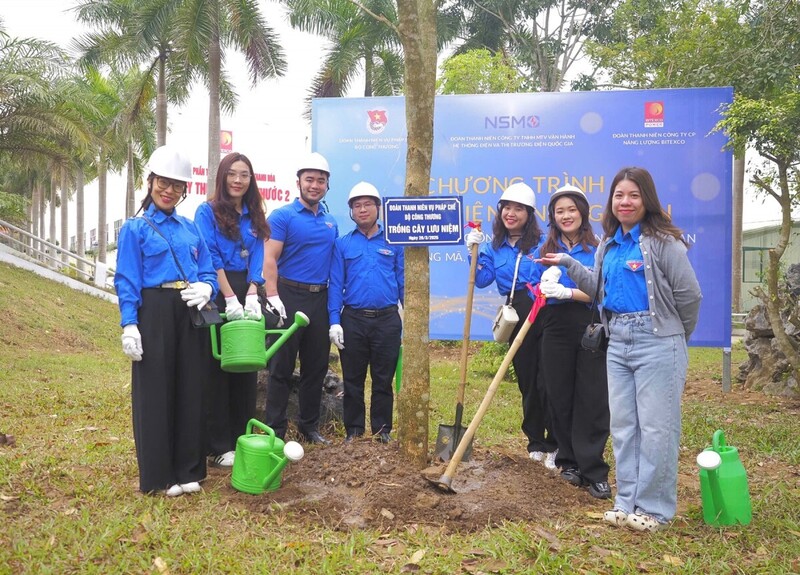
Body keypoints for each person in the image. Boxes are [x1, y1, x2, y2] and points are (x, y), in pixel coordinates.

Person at [538, 167, 702, 532]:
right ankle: (626, 502)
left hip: (658, 340)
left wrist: (674, 337)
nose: (625, 202)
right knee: (625, 427)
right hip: (617, 341)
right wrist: (567, 263)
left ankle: (654, 510)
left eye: (633, 195)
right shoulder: (609, 244)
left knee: (657, 428)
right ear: (610, 202)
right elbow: (598, 288)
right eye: (618, 196)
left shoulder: (663, 241)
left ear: (647, 200)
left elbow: (689, 296)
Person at [114, 145, 218, 496]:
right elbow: (126, 278)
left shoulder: (191, 229)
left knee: (192, 387)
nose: (169, 190)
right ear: (150, 182)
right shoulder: (135, 228)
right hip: (154, 310)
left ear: (185, 190)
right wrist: (130, 323)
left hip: (190, 309)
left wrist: (207, 287)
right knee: (155, 392)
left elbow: (207, 269)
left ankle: (189, 470)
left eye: (177, 185)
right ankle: (159, 476)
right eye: (163, 182)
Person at [465, 182, 558, 468]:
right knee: (528, 380)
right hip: (515, 312)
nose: (511, 213)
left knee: (550, 380)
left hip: (546, 310)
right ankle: (536, 442)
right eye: (507, 207)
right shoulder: (494, 246)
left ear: (529, 214)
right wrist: (474, 252)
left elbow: (558, 270)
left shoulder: (544, 241)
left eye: (519, 208)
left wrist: (553, 274)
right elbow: (481, 281)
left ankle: (556, 445)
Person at [532, 185, 610, 499]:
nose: (566, 216)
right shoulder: (542, 246)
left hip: (587, 323)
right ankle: (569, 463)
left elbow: (600, 290)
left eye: (571, 210)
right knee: (558, 394)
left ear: (582, 212)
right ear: (552, 216)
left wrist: (567, 292)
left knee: (591, 398)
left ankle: (593, 470)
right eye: (559, 211)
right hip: (553, 325)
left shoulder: (598, 246)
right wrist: (542, 287)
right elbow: (531, 287)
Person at [194, 152, 270, 468]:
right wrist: (229, 297)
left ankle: (242, 437)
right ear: (223, 176)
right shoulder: (206, 211)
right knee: (219, 368)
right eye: (232, 174)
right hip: (215, 288)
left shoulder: (253, 214)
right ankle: (218, 445)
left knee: (246, 367)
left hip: (247, 290)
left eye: (245, 175)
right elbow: (209, 255)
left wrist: (253, 290)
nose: (238, 180)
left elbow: (258, 252)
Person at [262, 152, 338, 444]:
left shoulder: (331, 222)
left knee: (315, 367)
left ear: (327, 186)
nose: (315, 185)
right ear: (299, 183)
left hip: (319, 298)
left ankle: (309, 428)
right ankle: (276, 431)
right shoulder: (282, 216)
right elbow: (269, 258)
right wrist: (272, 296)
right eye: (310, 179)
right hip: (287, 297)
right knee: (280, 368)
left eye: (321, 180)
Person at [328, 182, 404, 444]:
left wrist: (411, 318)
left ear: (378, 208)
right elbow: (336, 285)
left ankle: (382, 431)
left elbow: (404, 281)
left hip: (387, 320)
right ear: (351, 211)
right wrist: (334, 322)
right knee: (353, 380)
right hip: (353, 320)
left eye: (368, 204)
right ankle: (354, 431)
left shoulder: (395, 241)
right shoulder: (343, 244)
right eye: (357, 205)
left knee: (383, 379)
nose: (363, 210)